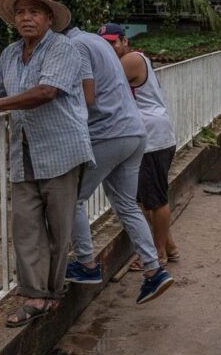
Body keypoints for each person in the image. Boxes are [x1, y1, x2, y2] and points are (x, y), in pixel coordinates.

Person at [0, 0, 94, 327]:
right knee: (26, 225)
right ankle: (35, 295)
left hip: (62, 149)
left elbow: (46, 91)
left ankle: (51, 293)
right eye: (20, 12)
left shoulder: (64, 49)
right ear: (14, 19)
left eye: (34, 11)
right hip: (24, 150)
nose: (26, 17)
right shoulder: (10, 54)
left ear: (48, 18)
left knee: (58, 227)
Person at [62, 25, 174, 304]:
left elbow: (88, 96)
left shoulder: (79, 47)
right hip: (137, 133)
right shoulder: (101, 48)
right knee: (127, 204)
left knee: (72, 199)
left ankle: (86, 264)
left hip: (113, 133)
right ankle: (154, 269)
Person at [97, 23, 180, 269]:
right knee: (143, 200)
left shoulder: (131, 59)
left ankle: (157, 255)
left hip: (152, 138)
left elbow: (101, 86)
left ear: (124, 41)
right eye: (103, 45)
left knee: (156, 200)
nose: (108, 49)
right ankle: (170, 247)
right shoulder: (131, 59)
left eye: (112, 43)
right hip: (145, 137)